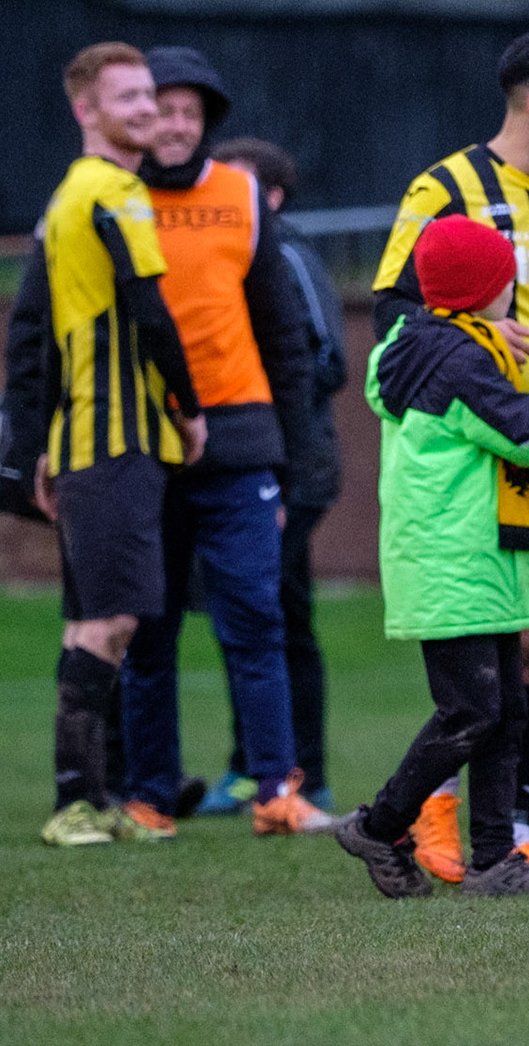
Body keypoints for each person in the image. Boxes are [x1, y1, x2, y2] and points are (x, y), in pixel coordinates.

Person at [371, 28, 529, 881]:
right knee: (514, 659)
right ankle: (487, 827)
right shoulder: (444, 189)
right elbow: (400, 324)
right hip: (499, 465)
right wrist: (486, 348)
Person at [335, 216, 529, 898]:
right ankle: (379, 823)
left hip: (466, 562)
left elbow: (451, 353)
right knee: (472, 713)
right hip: (461, 563)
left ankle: (492, 860)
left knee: (502, 709)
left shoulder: (411, 342)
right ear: (490, 289)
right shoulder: (459, 363)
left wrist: (484, 333)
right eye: (505, 283)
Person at [116, 46, 328, 839]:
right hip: (138, 443)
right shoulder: (112, 196)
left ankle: (277, 789)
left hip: (239, 442)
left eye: (188, 112)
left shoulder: (240, 195)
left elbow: (282, 333)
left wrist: (298, 459)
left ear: (205, 121)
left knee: (256, 620)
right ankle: (149, 795)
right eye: (160, 109)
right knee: (149, 625)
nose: (174, 124)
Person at [15, 44, 205, 847]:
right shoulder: (115, 190)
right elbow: (151, 312)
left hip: (87, 438)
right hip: (116, 440)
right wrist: (190, 409)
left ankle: (93, 798)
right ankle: (73, 805)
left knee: (93, 620)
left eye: (147, 96)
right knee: (111, 623)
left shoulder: (67, 196)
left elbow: (51, 335)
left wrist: (44, 441)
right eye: (125, 97)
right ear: (84, 110)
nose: (146, 110)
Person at [193, 137, 346, 814]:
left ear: (272, 197)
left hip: (292, 465)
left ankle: (299, 772)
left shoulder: (285, 255)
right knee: (248, 610)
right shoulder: (231, 257)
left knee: (277, 613)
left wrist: (258, 405)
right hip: (249, 457)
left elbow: (328, 362)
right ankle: (257, 766)